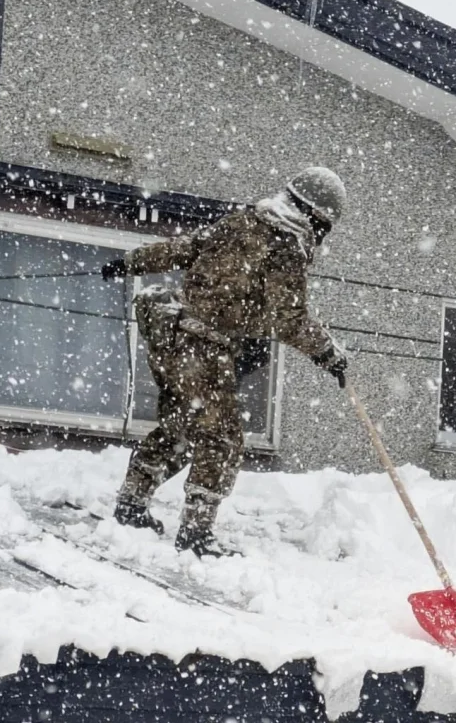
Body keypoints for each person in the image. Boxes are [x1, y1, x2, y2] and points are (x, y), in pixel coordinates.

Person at [102, 167, 351, 557]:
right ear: (313, 214)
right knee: (221, 441)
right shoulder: (285, 245)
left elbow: (185, 248)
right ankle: (195, 534)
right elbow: (290, 319)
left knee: (179, 428)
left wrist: (131, 262)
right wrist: (327, 353)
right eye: (323, 225)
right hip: (205, 348)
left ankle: (132, 504)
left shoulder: (240, 222)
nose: (321, 234)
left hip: (173, 340)